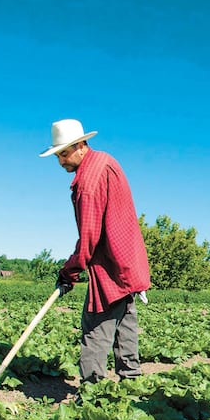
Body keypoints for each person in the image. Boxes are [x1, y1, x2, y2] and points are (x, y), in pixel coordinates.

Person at [39, 119, 151, 384]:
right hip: (128, 264)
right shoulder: (106, 160)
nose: (60, 162)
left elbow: (89, 238)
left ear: (80, 146)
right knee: (125, 326)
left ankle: (93, 392)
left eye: (63, 154)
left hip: (109, 268)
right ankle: (131, 385)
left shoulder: (87, 183)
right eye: (58, 155)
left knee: (95, 330)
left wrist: (69, 272)